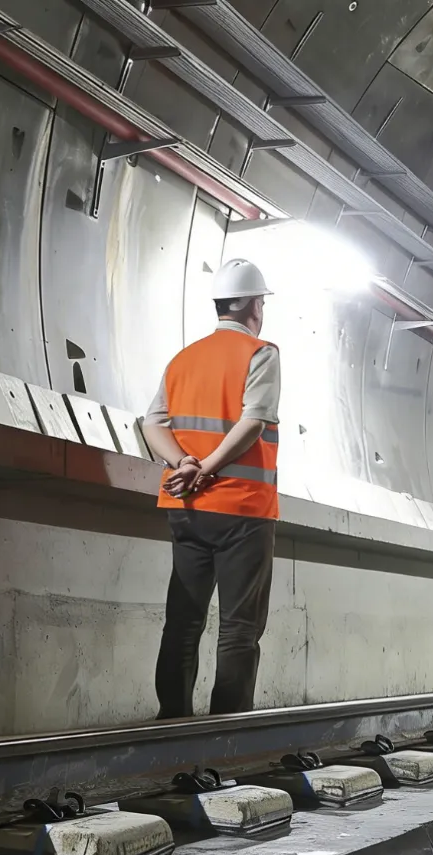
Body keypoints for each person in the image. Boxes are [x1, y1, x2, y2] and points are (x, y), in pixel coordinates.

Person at [140, 259, 282, 718]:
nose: (262, 309)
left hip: (186, 508)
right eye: (261, 301)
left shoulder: (184, 358)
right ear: (252, 306)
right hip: (242, 508)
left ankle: (171, 721)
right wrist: (208, 467)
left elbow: (153, 422)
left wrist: (182, 463)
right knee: (239, 628)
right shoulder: (261, 353)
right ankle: (227, 730)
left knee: (183, 621)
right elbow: (254, 420)